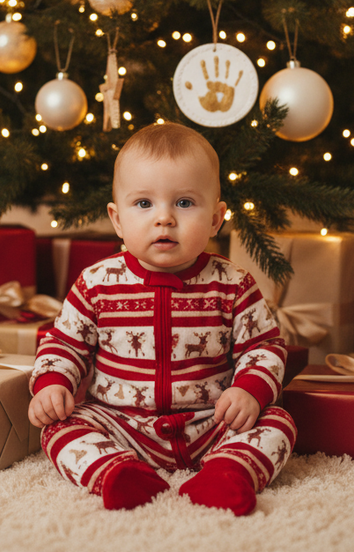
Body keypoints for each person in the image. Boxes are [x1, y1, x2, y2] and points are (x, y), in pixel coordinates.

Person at [28, 122, 296, 515]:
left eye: (185, 203)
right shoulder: (97, 283)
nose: (164, 219)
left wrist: (249, 392)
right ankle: (117, 473)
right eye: (144, 204)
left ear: (216, 218)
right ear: (117, 220)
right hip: (120, 424)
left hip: (211, 421)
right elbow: (64, 343)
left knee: (278, 421)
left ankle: (228, 471)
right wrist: (52, 384)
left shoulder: (233, 283)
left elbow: (264, 347)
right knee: (59, 428)